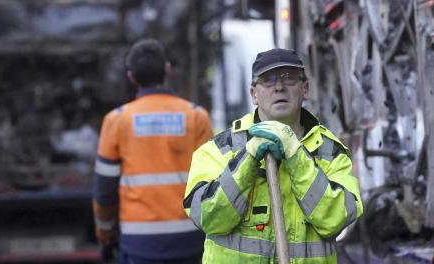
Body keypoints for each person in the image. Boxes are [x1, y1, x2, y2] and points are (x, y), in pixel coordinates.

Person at [183, 48, 362, 263]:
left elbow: (336, 220)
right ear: (254, 94)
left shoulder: (330, 152)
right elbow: (208, 218)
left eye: (289, 78)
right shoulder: (221, 148)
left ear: (305, 89)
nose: (279, 87)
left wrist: (296, 155)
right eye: (268, 80)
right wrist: (247, 159)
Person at [93, 39, 212, 264]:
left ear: (131, 77)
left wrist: (105, 232)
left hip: (139, 242)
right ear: (167, 70)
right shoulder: (197, 116)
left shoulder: (117, 120)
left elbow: (105, 189)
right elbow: (214, 182)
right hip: (190, 239)